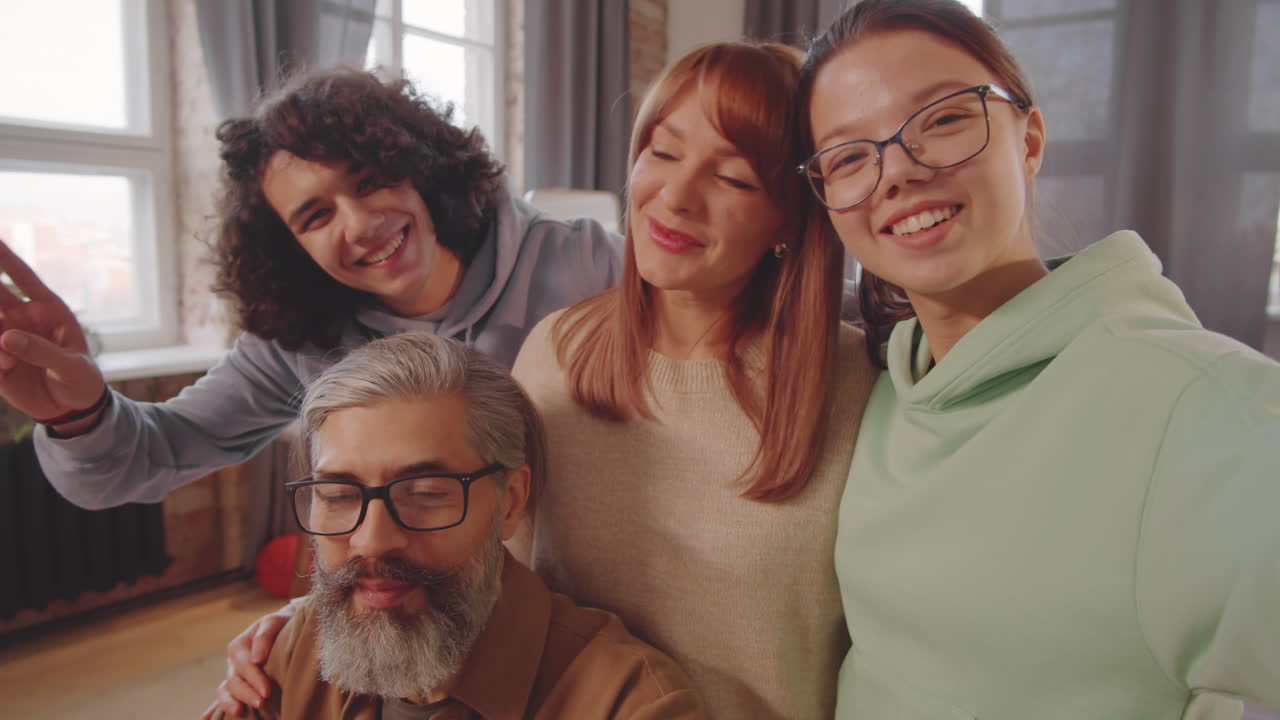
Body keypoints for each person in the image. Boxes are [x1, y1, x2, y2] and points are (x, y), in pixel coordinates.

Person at [212, 42, 880, 720]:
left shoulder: (860, 386)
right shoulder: (558, 354)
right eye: (663, 152)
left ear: (792, 213)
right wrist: (325, 613)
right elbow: (480, 564)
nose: (676, 197)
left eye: (733, 178)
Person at [798, 1, 1280, 717]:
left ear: (1028, 141)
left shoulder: (1196, 407)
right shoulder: (880, 391)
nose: (895, 172)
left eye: (944, 119)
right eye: (847, 157)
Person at [0, 68, 620, 510]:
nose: (361, 224)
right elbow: (142, 459)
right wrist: (77, 414)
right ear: (290, 248)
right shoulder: (301, 342)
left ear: (421, 166)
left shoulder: (591, 265)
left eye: (371, 181)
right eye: (316, 216)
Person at [207, 332, 709, 720]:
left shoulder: (629, 704)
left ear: (510, 502)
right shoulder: (292, 650)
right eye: (339, 495)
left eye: (425, 494)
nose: (372, 540)